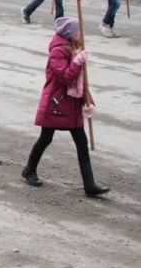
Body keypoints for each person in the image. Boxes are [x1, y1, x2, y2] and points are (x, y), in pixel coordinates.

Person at [21, 17, 109, 197]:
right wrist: (76, 62)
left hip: (72, 104)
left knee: (81, 142)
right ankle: (29, 170)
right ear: (70, 34)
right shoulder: (58, 51)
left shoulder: (75, 49)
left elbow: (82, 81)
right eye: (79, 32)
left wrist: (88, 100)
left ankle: (89, 184)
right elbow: (65, 78)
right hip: (56, 102)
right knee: (46, 138)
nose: (81, 35)